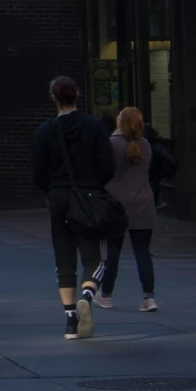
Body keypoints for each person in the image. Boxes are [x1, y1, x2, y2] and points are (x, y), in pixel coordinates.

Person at [31, 75, 116, 339]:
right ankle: (88, 295)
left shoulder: (45, 130)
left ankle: (70, 321)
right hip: (88, 194)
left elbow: (38, 172)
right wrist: (94, 185)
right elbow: (108, 166)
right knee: (95, 256)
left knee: (63, 255)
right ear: (77, 95)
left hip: (58, 197)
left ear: (53, 97)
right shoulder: (95, 127)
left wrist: (52, 190)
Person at [100, 106, 159, 313]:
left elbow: (103, 171)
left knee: (112, 253)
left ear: (121, 122)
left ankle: (106, 295)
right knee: (142, 251)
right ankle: (149, 298)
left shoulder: (111, 144)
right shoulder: (145, 146)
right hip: (144, 204)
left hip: (117, 206)